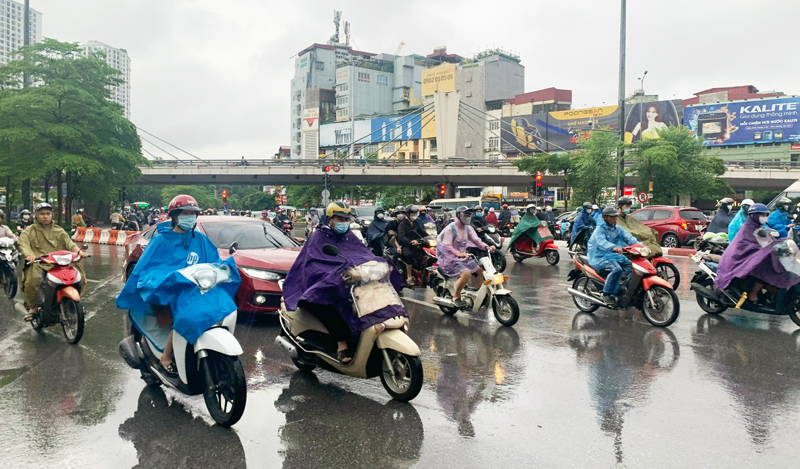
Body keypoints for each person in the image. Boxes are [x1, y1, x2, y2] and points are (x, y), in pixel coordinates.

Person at [283, 201, 403, 363]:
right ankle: (342, 344)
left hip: (346, 283)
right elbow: (314, 266)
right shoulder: (318, 237)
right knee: (335, 308)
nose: (344, 222)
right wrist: (335, 274)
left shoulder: (349, 236)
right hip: (319, 286)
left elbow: (362, 254)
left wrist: (376, 263)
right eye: (340, 219)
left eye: (347, 219)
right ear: (330, 218)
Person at [116, 195, 215, 375]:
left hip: (193, 291)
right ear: (175, 216)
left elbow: (213, 262)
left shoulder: (200, 240)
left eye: (192, 213)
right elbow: (146, 269)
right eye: (185, 213)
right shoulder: (161, 240)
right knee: (184, 315)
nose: (189, 216)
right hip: (168, 292)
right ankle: (166, 357)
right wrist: (161, 282)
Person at [715, 203, 800, 304]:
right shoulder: (748, 228)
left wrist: (784, 241)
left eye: (765, 215)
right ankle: (753, 294)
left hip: (752, 255)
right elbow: (750, 245)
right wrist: (767, 249)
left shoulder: (759, 227)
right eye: (762, 215)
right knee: (764, 268)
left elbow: (769, 240)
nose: (764, 217)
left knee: (776, 265)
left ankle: (772, 289)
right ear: (753, 215)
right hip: (740, 257)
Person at [19, 203, 89, 321]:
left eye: (48, 214)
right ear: (36, 215)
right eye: (42, 214)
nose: (45, 216)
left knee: (79, 275)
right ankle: (34, 308)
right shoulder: (29, 231)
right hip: (39, 263)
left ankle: (75, 302)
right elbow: (23, 244)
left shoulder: (59, 230)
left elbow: (69, 243)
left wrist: (78, 251)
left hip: (59, 262)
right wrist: (29, 255)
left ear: (51, 215)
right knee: (34, 279)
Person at [436, 206, 493, 309]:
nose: (467, 217)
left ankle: (480, 293)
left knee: (481, 270)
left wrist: (486, 246)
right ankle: (456, 297)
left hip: (463, 258)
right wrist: (457, 253)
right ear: (458, 216)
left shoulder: (468, 228)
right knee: (466, 273)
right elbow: (447, 245)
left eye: (468, 215)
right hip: (450, 260)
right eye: (465, 215)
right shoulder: (450, 228)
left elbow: (476, 240)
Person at [587, 207, 639, 304]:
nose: (614, 219)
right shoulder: (599, 229)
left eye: (615, 217)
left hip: (612, 255)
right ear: (604, 217)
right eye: (612, 217)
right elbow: (601, 241)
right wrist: (613, 247)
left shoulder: (617, 229)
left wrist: (640, 246)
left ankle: (623, 288)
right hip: (599, 256)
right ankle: (606, 293)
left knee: (632, 267)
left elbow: (629, 238)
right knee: (617, 269)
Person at [398, 205, 428, 286]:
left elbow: (423, 233)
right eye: (412, 214)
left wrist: (431, 237)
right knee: (409, 255)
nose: (414, 215)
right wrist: (410, 241)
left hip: (417, 244)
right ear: (408, 214)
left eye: (415, 213)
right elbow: (401, 236)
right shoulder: (403, 224)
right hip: (407, 245)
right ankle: (409, 276)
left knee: (426, 254)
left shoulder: (416, 223)